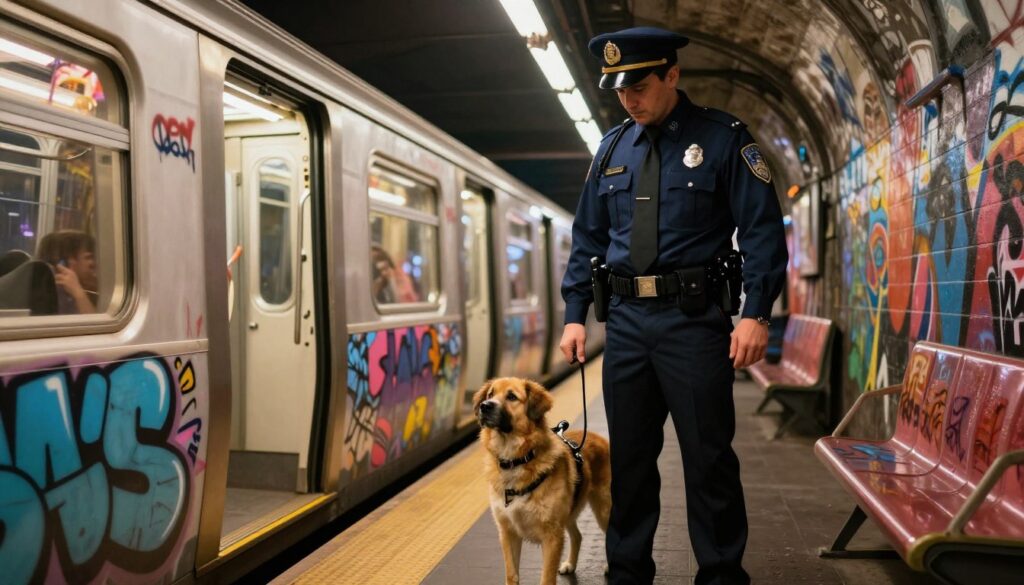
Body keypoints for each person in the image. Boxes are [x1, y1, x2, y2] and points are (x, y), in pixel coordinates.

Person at [559, 27, 788, 585]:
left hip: (692, 322)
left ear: (672, 75)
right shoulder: (611, 149)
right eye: (620, 90)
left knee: (708, 459)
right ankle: (627, 574)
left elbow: (761, 232)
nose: (629, 100)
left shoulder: (724, 139)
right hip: (626, 326)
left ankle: (721, 575)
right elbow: (588, 237)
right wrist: (574, 314)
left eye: (639, 86)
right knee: (630, 463)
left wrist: (756, 312)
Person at [36, 229, 98, 314]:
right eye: (88, 257)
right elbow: (95, 322)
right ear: (66, 263)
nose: (94, 263)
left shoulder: (89, 290)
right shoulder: (58, 299)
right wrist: (78, 294)